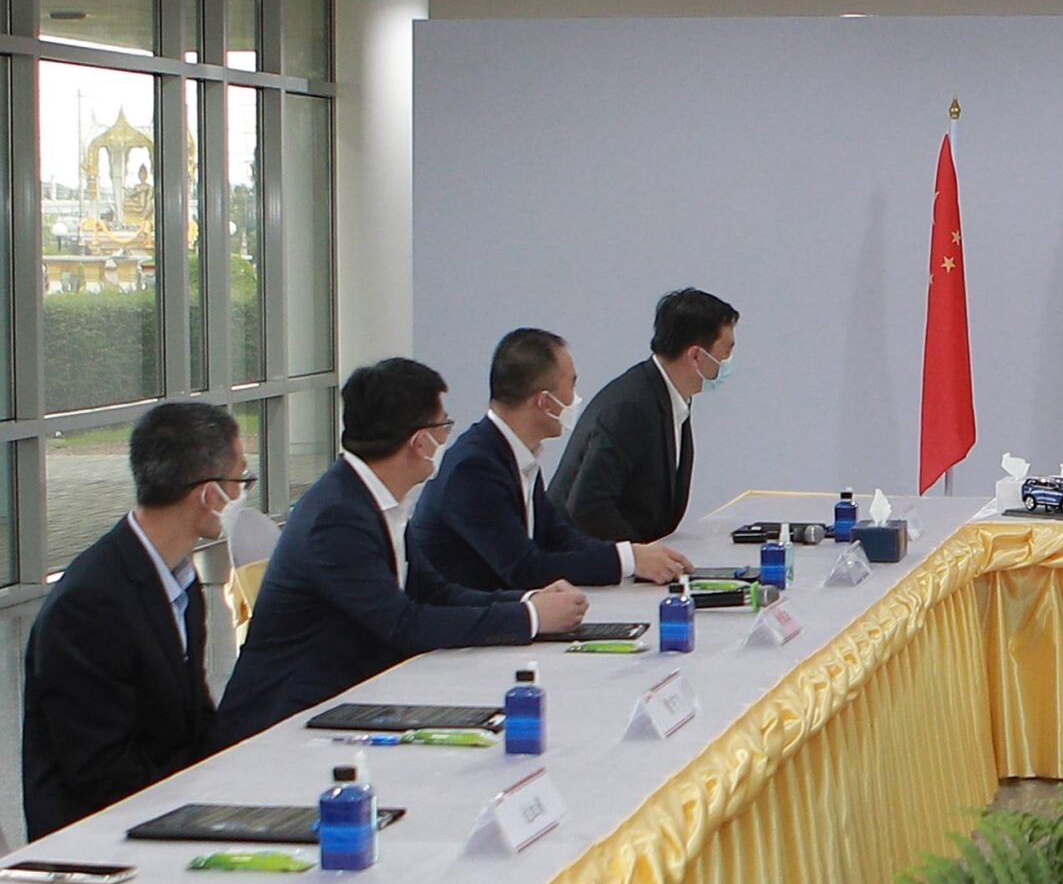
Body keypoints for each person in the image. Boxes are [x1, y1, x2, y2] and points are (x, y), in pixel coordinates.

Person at [213, 359, 587, 746]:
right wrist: (529, 618)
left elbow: (435, 593)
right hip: (285, 724)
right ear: (420, 442)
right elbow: (402, 624)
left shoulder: (375, 500)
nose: (447, 438)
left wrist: (529, 601)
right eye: (443, 426)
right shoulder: (337, 517)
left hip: (349, 702)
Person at [21, 402, 246, 838]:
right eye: (239, 481)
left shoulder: (180, 581)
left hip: (166, 809)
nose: (241, 496)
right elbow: (101, 771)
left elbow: (195, 722)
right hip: (98, 839)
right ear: (209, 495)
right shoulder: (89, 603)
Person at [412, 327, 693, 591]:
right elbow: (524, 568)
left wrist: (632, 553)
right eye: (571, 385)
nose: (575, 398)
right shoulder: (473, 468)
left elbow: (558, 536)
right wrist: (627, 561)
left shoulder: (515, 454)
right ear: (544, 402)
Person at [549, 287, 739, 542]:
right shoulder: (631, 407)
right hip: (578, 556)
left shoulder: (672, 397)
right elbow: (588, 506)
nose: (728, 360)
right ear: (696, 355)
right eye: (726, 350)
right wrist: (641, 556)